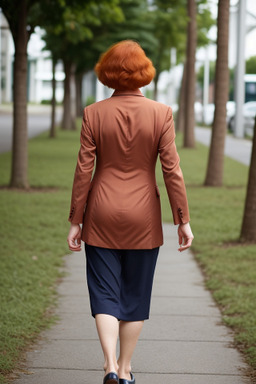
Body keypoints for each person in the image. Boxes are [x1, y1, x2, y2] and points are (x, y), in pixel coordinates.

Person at [67, 40, 194, 384]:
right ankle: (125, 369)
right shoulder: (161, 113)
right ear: (144, 73)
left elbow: (84, 171)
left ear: (108, 74)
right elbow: (172, 171)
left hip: (101, 212)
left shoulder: (93, 113)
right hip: (144, 216)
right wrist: (182, 219)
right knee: (135, 296)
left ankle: (108, 366)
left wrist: (75, 219)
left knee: (105, 293)